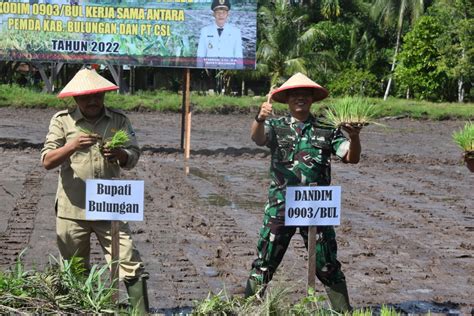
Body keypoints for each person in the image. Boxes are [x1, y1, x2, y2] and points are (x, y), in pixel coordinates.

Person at [244, 73, 362, 313]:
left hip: (315, 206)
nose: (300, 98)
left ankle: (344, 311)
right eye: (295, 94)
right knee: (265, 262)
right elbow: (257, 138)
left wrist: (355, 136)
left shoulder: (326, 128)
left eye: (305, 94)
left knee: (327, 264)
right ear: (287, 99)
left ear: (312, 99)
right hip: (281, 205)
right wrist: (259, 118)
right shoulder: (276, 126)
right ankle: (246, 309)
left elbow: (351, 157)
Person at [41, 68, 149, 313]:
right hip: (73, 209)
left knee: (129, 261)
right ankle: (83, 310)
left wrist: (121, 154)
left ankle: (141, 312)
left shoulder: (118, 120)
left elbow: (134, 155)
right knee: (75, 269)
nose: (92, 101)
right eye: (86, 97)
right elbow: (47, 160)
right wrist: (71, 145)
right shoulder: (62, 121)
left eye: (97, 95)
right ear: (76, 98)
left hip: (109, 207)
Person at [196, 0, 243, 69]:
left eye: (224, 12)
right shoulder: (205, 31)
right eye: (218, 12)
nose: (221, 15)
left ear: (228, 14)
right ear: (213, 14)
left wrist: (238, 73)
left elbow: (238, 56)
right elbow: (200, 54)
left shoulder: (236, 32)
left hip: (229, 71)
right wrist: (199, 70)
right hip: (209, 71)